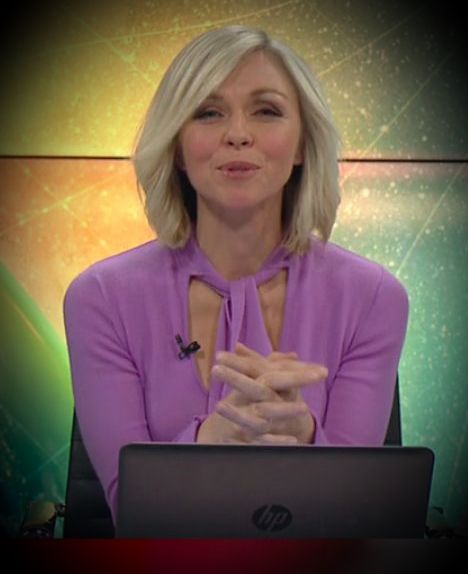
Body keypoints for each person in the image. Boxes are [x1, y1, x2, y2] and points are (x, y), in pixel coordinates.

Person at [63, 25, 409, 523]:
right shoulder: (101, 298)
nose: (238, 133)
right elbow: (130, 511)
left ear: (301, 145)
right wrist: (209, 441)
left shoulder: (373, 297)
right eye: (209, 112)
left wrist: (307, 437)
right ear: (177, 146)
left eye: (266, 110)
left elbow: (358, 519)